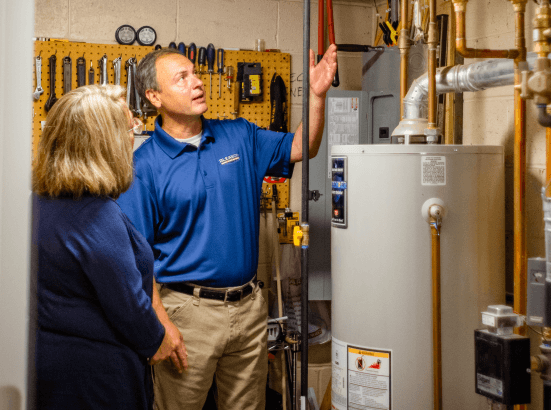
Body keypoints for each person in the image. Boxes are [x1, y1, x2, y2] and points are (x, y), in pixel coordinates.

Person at [117, 44, 338, 410]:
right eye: (182, 78)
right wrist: (161, 326)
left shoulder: (240, 136)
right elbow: (136, 262)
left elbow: (303, 146)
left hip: (249, 307)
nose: (197, 82)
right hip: (187, 314)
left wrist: (317, 96)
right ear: (154, 96)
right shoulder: (144, 167)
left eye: (195, 73)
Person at [32, 85, 187, 410]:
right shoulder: (98, 216)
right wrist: (155, 339)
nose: (133, 137)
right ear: (103, 144)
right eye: (127, 129)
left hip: (48, 364)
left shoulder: (37, 204)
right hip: (98, 377)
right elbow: (127, 302)